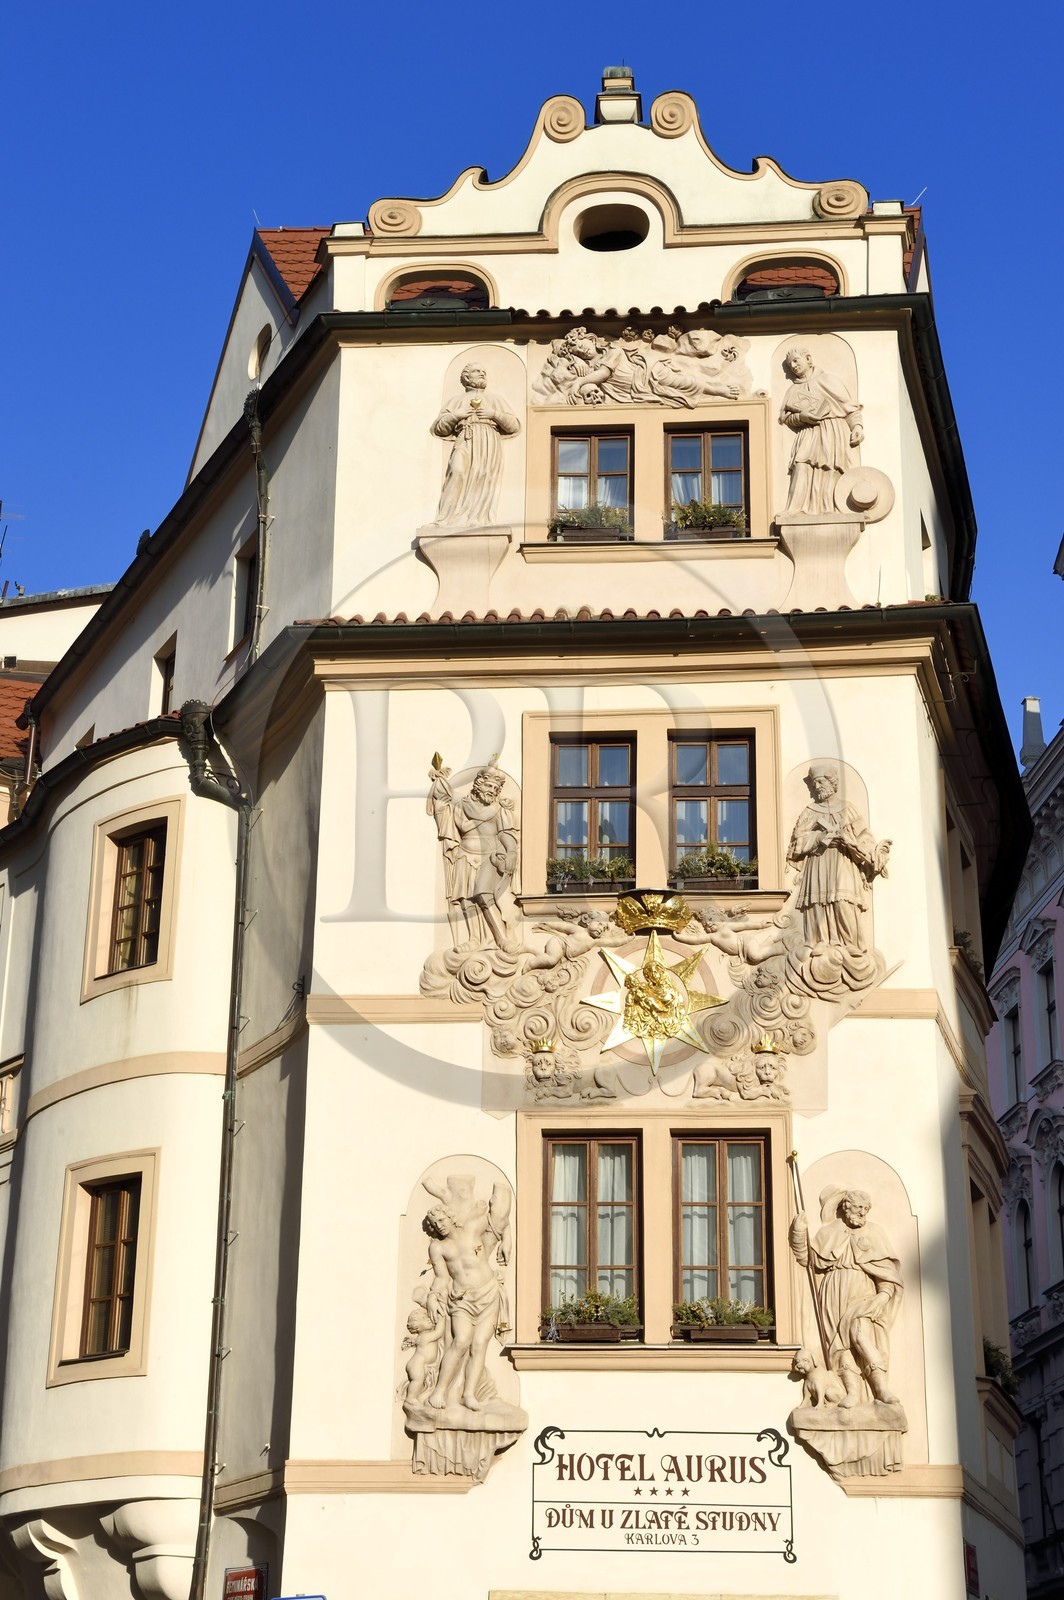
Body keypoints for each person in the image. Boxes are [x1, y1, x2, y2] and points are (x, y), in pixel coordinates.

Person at [789, 1186, 903, 1407]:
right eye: (859, 1207)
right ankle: (852, 1393)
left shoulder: (875, 1232)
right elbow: (809, 1260)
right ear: (846, 1207)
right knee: (841, 1347)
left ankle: (881, 1388)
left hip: (862, 1291)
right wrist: (798, 1233)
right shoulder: (829, 1232)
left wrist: (883, 1295)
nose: (863, 1212)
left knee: (860, 1333)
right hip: (833, 1293)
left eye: (866, 1209)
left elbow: (887, 1272)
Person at [423, 1183, 512, 1413]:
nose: (439, 1226)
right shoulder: (438, 1248)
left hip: (488, 1292)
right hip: (462, 1300)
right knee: (460, 1341)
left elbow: (499, 1220)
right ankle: (439, 1390)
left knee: (480, 1344)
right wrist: (433, 1296)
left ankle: (469, 1393)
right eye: (434, 1224)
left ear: (450, 1217)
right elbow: (442, 1278)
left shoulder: (473, 1227)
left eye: (441, 1220)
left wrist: (507, 1240)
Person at [787, 762, 890, 950]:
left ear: (832, 782)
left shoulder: (848, 809)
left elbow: (864, 837)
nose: (816, 787)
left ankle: (850, 944)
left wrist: (867, 850)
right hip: (819, 861)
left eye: (819, 782)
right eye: (813, 783)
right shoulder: (810, 812)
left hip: (843, 860)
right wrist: (820, 837)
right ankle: (820, 941)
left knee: (843, 901)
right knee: (817, 902)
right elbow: (796, 842)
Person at [427, 759, 519, 949]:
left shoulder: (500, 810)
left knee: (484, 895)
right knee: (466, 900)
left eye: (495, 787)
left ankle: (501, 938)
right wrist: (439, 791)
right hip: (465, 855)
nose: (492, 790)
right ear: (478, 784)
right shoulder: (460, 806)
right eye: (489, 785)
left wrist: (510, 851)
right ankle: (474, 939)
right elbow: (451, 825)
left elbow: (506, 833)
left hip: (489, 857)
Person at [431, 364, 520, 527]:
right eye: (477, 371)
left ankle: (477, 518)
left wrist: (494, 414)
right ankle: (445, 518)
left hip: (488, 441)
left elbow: (513, 425)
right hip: (464, 438)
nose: (482, 374)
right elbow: (440, 428)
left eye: (484, 372)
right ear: (466, 377)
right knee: (457, 471)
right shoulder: (456, 401)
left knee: (483, 474)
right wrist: (455, 416)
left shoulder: (495, 399)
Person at [778, 347, 863, 514]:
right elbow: (786, 418)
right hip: (809, 431)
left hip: (832, 429)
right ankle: (795, 510)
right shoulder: (793, 390)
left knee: (830, 467)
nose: (793, 366)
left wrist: (857, 427)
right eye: (790, 364)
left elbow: (849, 408)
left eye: (796, 361)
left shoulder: (827, 380)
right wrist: (802, 417)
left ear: (808, 359)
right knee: (801, 464)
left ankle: (829, 509)